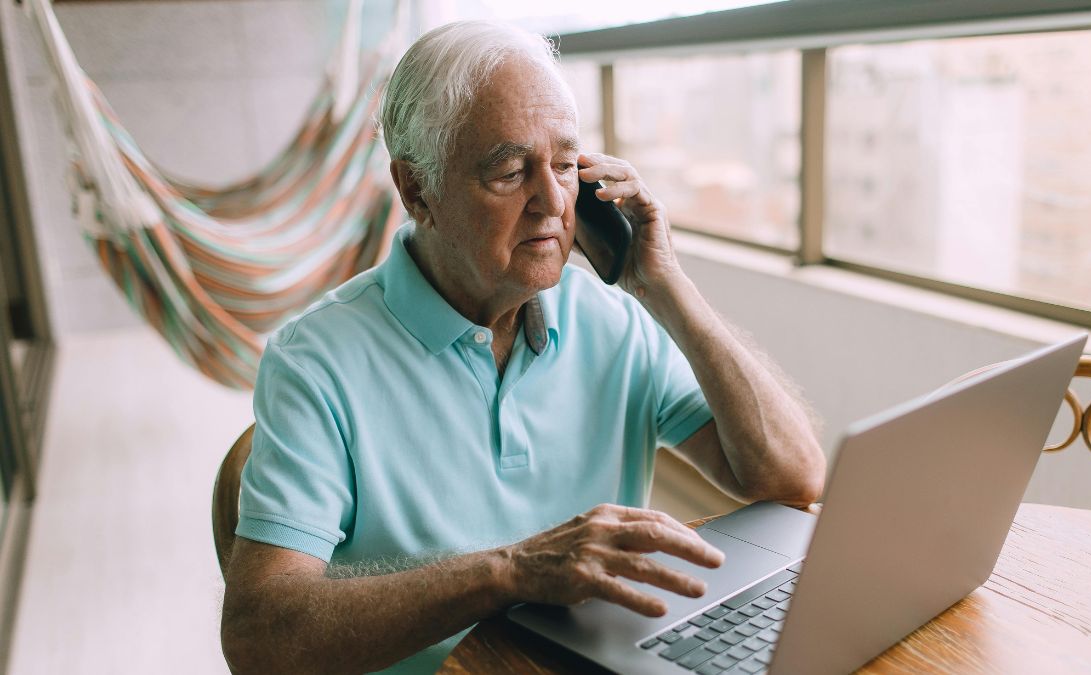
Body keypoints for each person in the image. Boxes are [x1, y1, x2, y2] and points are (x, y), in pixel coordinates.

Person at [220, 19, 825, 675]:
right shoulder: (314, 363)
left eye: (565, 165)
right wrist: (510, 571)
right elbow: (261, 638)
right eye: (509, 171)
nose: (553, 202)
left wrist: (667, 286)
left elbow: (793, 477)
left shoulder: (615, 319)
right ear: (417, 189)